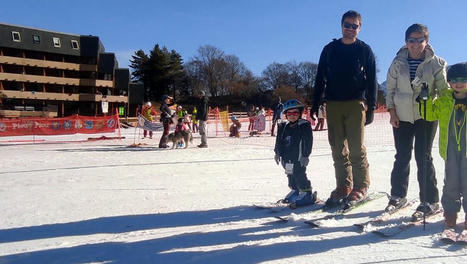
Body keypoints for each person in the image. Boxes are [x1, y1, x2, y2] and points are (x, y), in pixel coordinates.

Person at [312, 10, 377, 207]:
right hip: (333, 104)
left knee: (356, 148)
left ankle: (361, 186)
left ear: (360, 27)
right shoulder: (330, 49)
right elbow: (320, 77)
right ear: (341, 26)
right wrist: (315, 102)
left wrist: (372, 106)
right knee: (337, 148)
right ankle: (343, 186)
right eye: (347, 25)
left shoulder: (364, 50)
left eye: (354, 26)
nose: (350, 29)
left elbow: (372, 80)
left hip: (355, 104)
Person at [385, 23, 447, 219]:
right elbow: (390, 89)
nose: (415, 44)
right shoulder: (397, 62)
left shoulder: (437, 63)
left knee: (424, 156)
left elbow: (444, 90)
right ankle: (397, 196)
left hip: (426, 116)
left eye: (420, 40)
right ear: (406, 42)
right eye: (411, 40)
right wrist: (391, 112)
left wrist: (443, 108)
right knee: (402, 156)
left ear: (426, 41)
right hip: (402, 116)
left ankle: (430, 201)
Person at [422, 63, 467, 230]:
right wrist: (425, 99)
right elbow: (428, 114)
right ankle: (450, 211)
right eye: (454, 80)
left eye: (463, 79)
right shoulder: (444, 100)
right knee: (451, 182)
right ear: (449, 82)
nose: (459, 83)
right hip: (450, 149)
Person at [274, 99, 316, 206]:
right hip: (287, 157)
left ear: (300, 114)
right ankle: (295, 190)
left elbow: (308, 140)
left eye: (295, 113)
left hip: (299, 157)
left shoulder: (304, 125)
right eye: (289, 113)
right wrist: (277, 153)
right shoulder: (284, 127)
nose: (292, 116)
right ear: (285, 114)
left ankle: (306, 193)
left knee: (299, 174)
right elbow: (279, 140)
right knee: (290, 174)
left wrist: (306, 155)